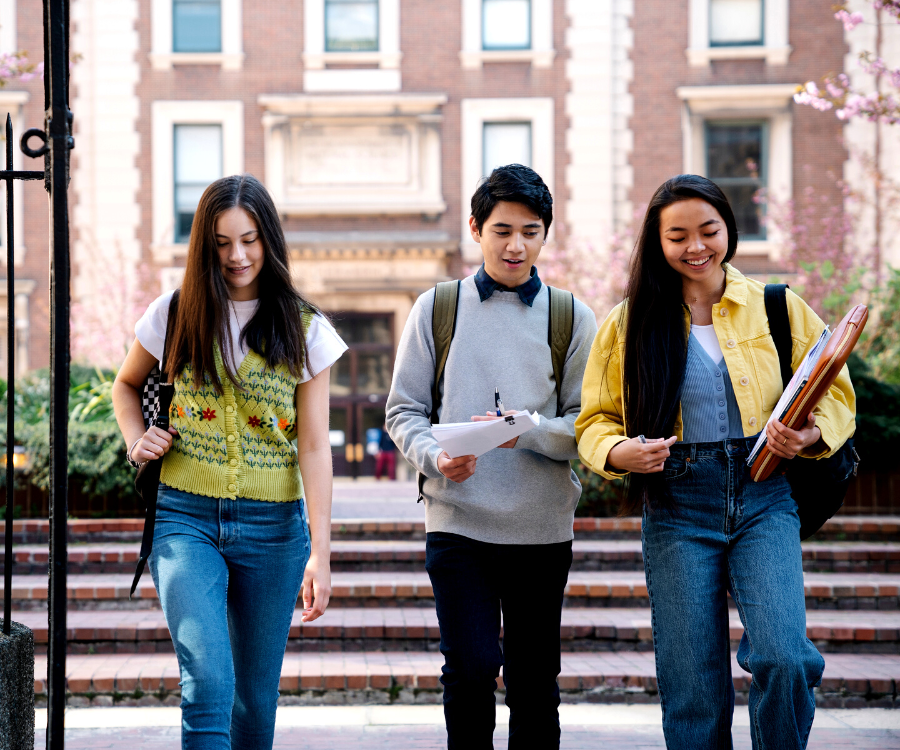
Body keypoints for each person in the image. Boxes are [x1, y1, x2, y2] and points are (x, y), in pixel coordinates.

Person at [575, 174, 856, 750]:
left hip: (765, 495)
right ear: (657, 243)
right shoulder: (628, 323)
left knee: (784, 656)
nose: (696, 246)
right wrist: (617, 451)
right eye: (677, 236)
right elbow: (595, 421)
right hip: (676, 502)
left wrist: (807, 436)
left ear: (729, 227)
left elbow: (837, 392)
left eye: (708, 230)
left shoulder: (776, 306)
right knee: (693, 688)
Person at [111, 174, 347, 749]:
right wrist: (136, 439)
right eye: (221, 242)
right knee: (209, 684)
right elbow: (125, 385)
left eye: (249, 239)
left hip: (274, 531)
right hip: (185, 519)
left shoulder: (305, 328)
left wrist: (322, 549)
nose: (237, 256)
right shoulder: (174, 313)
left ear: (269, 239)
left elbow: (315, 446)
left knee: (254, 702)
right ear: (204, 245)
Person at [386, 164, 598, 749]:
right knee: (472, 668)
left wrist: (524, 431)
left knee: (535, 681)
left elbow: (589, 424)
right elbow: (402, 411)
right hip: (459, 523)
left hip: (541, 529)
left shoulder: (571, 316)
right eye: (502, 229)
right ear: (476, 229)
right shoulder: (437, 309)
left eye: (530, 231)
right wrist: (436, 457)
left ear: (545, 235)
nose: (515, 244)